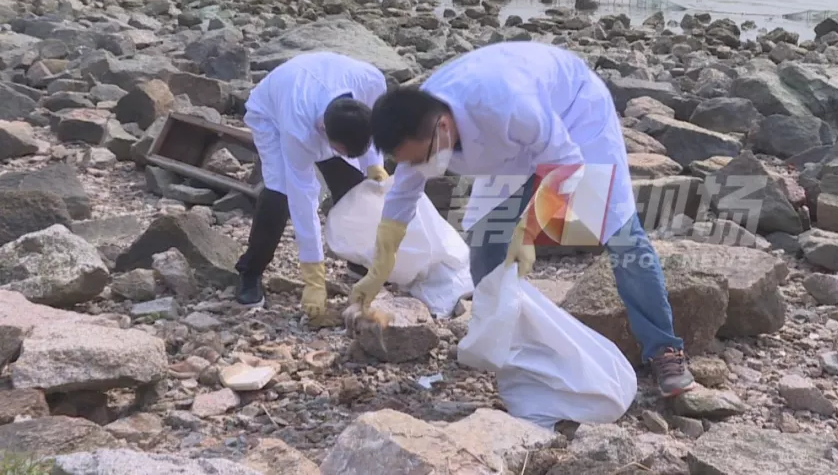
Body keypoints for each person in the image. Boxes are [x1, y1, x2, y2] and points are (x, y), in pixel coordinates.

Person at [353, 41, 696, 397]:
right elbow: (404, 193)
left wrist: (529, 229)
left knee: (621, 234)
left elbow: (566, 164)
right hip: (511, 146)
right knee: (486, 242)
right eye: (410, 161)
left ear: (442, 126)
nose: (420, 167)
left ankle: (664, 349)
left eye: (423, 157)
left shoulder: (509, 104)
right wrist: (379, 266)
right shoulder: (418, 130)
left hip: (574, 117)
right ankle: (509, 343)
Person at [235, 51, 388, 319]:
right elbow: (303, 200)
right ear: (325, 133)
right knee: (280, 193)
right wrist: (314, 275)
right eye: (339, 150)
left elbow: (376, 133)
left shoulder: (372, 82)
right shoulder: (298, 129)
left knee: (356, 185)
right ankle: (251, 271)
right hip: (271, 113)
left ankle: (357, 257)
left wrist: (374, 164)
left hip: (317, 81)